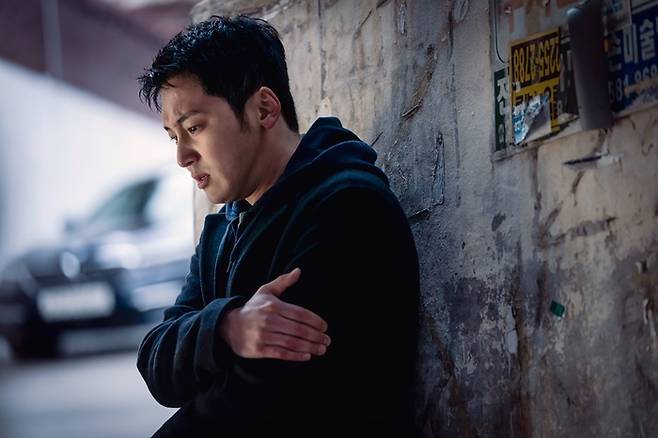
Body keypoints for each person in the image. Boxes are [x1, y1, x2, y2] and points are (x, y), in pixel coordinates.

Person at [136, 14, 419, 437]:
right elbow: (156, 363)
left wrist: (203, 347)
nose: (182, 157)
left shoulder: (347, 208)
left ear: (264, 108)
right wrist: (226, 327)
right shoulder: (222, 229)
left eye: (194, 127)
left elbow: (266, 399)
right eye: (174, 137)